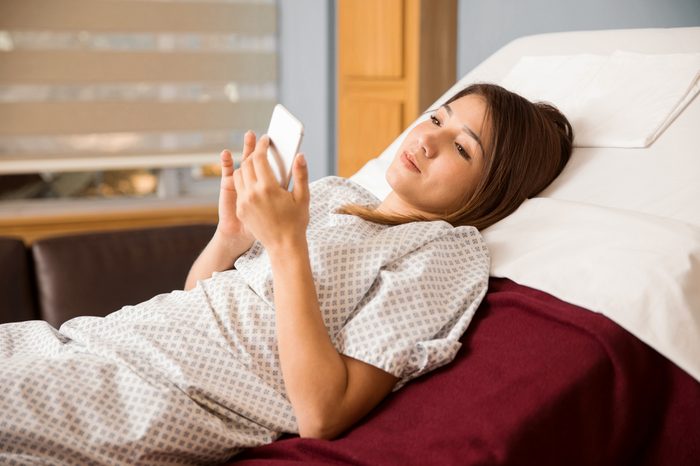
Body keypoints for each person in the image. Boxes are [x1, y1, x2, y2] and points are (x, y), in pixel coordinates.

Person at [0, 83, 573, 464]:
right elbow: (201, 301)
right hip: (97, 340)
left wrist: (286, 245)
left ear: (488, 191)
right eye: (436, 117)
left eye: (461, 148)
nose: (426, 138)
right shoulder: (332, 194)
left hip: (156, 396)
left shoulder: (443, 255)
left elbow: (322, 414)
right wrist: (230, 235)